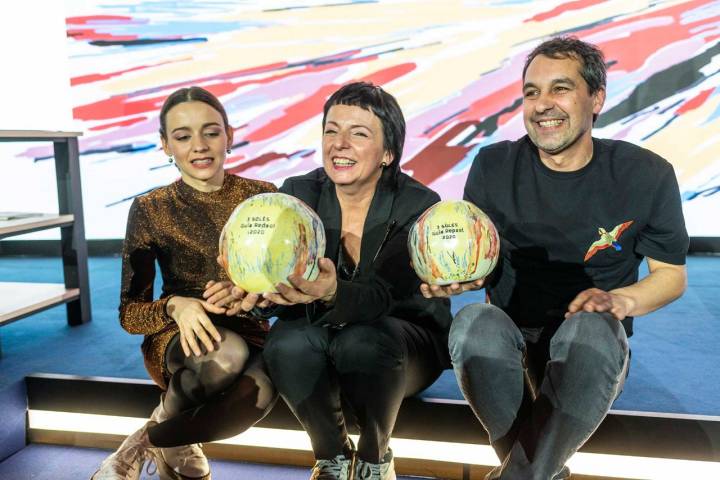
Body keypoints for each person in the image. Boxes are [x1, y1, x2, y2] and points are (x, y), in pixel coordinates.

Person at [422, 36, 689, 480]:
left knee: (590, 326)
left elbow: (671, 276)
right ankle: (536, 473)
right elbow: (477, 260)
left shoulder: (647, 174)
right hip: (508, 348)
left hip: (592, 349)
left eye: (560, 89)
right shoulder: (492, 166)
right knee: (472, 323)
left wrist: (620, 302)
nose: (542, 104)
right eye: (531, 92)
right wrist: (461, 279)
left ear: (596, 99)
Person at [217, 81, 452, 480]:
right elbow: (283, 290)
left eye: (358, 133)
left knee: (362, 341)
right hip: (325, 336)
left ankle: (376, 461)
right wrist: (255, 293)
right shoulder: (297, 194)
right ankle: (333, 460)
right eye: (331, 130)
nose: (339, 144)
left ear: (388, 153)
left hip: (404, 341)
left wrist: (332, 290)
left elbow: (384, 296)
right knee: (287, 342)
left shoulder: (419, 204)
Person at [92, 86, 277, 480]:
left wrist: (255, 298)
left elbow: (286, 296)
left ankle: (156, 439)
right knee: (225, 354)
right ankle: (149, 449)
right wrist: (177, 305)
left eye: (211, 132)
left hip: (255, 334)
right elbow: (130, 314)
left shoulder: (264, 198)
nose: (199, 146)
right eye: (182, 136)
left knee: (253, 399)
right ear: (164, 145)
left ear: (230, 134)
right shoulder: (150, 208)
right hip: (180, 340)